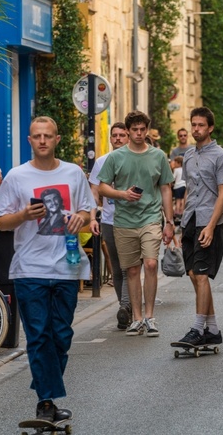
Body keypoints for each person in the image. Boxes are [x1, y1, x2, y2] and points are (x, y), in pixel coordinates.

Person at [0, 116, 95, 423]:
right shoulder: (16, 176)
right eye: (37, 136)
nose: (42, 141)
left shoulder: (73, 173)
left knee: (61, 335)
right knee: (38, 336)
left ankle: (44, 384)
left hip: (67, 266)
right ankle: (46, 403)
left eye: (48, 136)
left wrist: (82, 217)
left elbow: (89, 212)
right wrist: (23, 214)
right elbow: (0, 222)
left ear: (57, 139)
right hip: (29, 268)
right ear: (29, 140)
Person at [97, 111, 175, 337]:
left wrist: (169, 222)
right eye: (135, 130)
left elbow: (165, 189)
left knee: (150, 264)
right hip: (124, 220)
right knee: (131, 269)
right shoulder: (116, 157)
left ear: (146, 130)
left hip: (151, 218)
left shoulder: (158, 156)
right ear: (129, 131)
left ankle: (150, 317)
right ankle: (137, 318)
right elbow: (102, 187)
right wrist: (122, 195)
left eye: (143, 130)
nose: (139, 134)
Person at [175, 107, 223, 346]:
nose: (196, 129)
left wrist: (211, 226)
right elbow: (190, 189)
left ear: (210, 128)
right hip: (190, 220)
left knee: (201, 275)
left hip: (209, 222)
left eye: (201, 125)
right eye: (193, 125)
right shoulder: (189, 155)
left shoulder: (221, 156)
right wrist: (182, 223)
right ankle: (212, 329)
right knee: (193, 274)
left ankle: (198, 329)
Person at [88, 123, 132, 330]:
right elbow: (94, 191)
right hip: (109, 220)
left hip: (133, 221)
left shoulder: (135, 159)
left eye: (122, 135)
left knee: (128, 267)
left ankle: (126, 307)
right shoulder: (102, 162)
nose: (118, 139)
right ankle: (125, 307)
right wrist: (92, 217)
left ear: (128, 136)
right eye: (114, 135)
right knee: (116, 267)